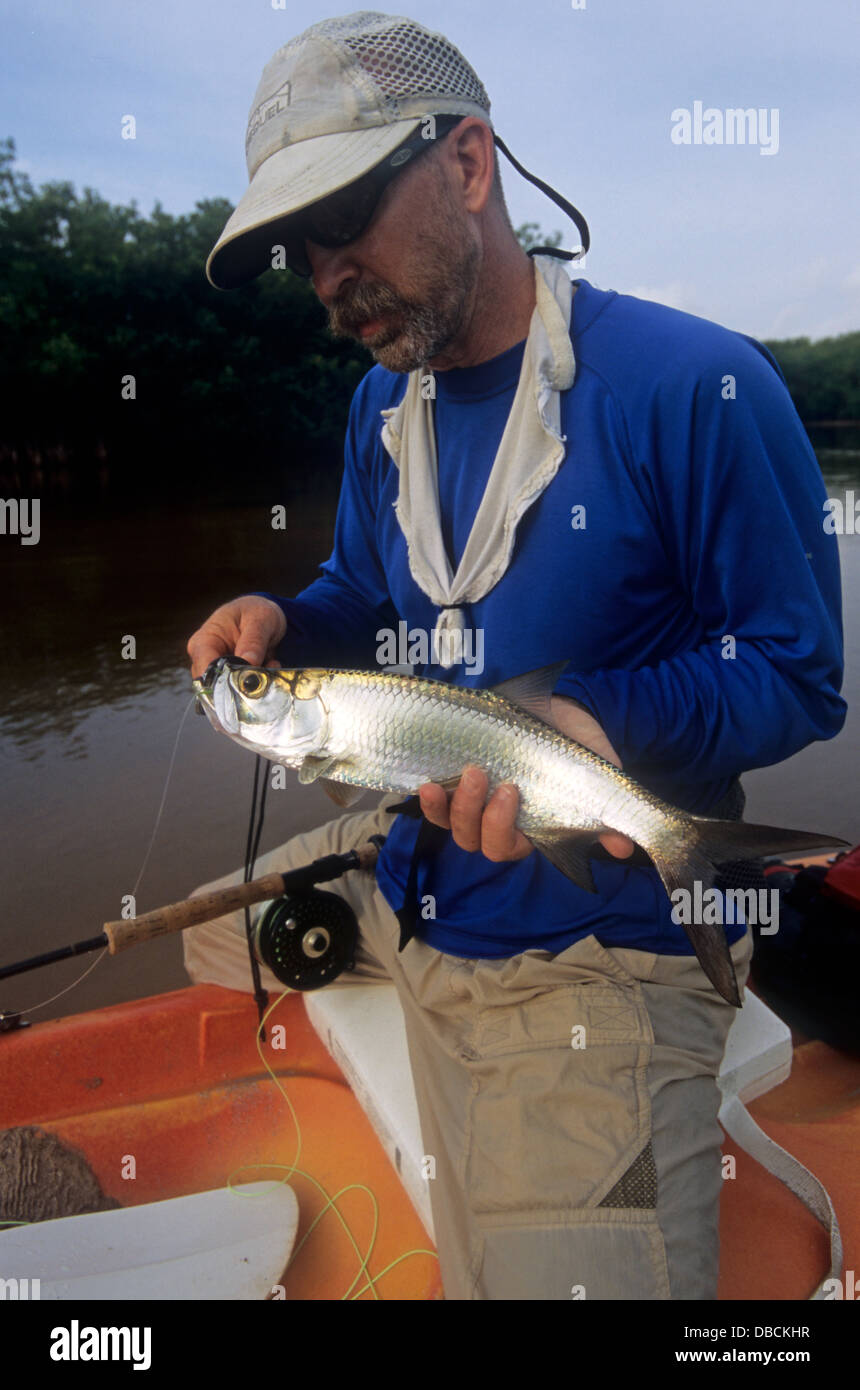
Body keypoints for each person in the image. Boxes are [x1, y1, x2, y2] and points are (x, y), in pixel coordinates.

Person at [185, 11, 845, 1300]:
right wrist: (286, 623)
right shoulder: (388, 401)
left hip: (601, 940)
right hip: (427, 878)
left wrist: (604, 726)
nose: (325, 275)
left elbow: (797, 670)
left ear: (470, 165)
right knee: (220, 937)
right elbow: (369, 593)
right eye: (298, 248)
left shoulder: (695, 385)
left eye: (345, 216)